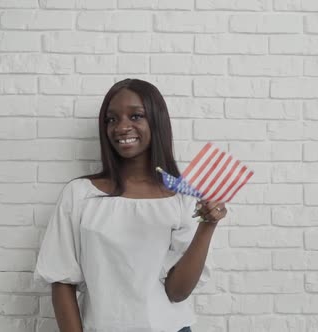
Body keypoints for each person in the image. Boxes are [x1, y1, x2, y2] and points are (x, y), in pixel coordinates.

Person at [34, 78, 228, 332]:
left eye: (136, 116)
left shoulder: (183, 198)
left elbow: (178, 292)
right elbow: (61, 281)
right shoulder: (80, 194)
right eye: (112, 119)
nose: (121, 127)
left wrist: (207, 225)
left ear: (156, 122)